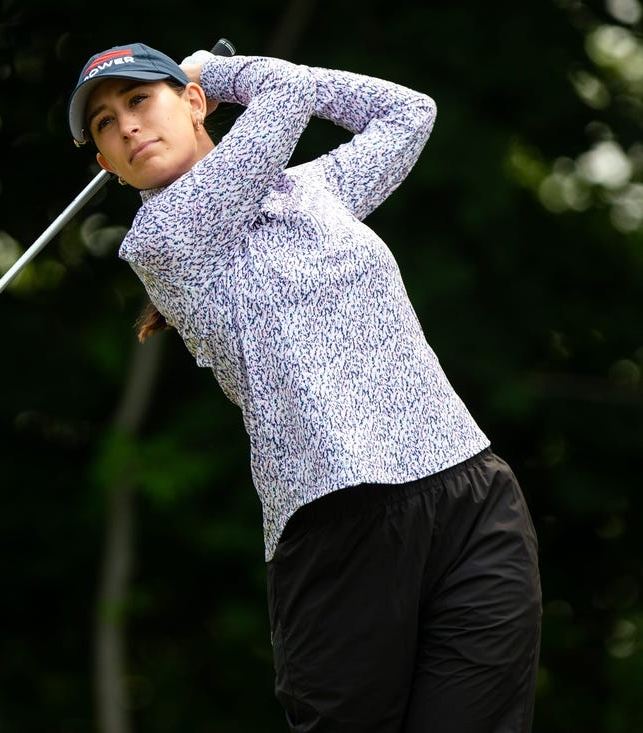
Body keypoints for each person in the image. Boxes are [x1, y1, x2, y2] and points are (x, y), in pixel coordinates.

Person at [66, 42, 542, 732]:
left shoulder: (313, 190)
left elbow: (408, 112)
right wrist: (215, 71)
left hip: (470, 497)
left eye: (140, 100)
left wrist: (210, 81)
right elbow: (286, 95)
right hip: (336, 525)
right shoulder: (162, 238)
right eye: (105, 124)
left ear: (192, 106)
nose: (128, 125)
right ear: (105, 162)